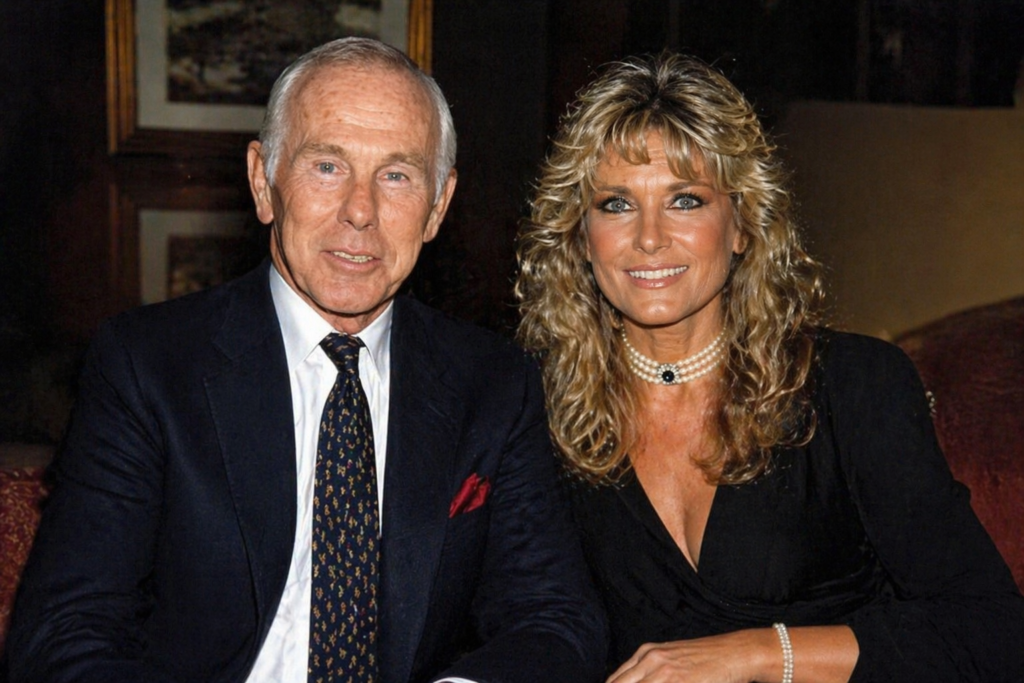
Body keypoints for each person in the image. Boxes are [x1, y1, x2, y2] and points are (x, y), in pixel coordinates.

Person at [6, 38, 606, 683]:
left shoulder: (494, 383)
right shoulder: (147, 366)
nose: (360, 212)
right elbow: (63, 632)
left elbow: (555, 620)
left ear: (438, 206)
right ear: (264, 182)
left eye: (397, 176)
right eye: (327, 166)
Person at [515, 51, 1024, 683]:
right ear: (579, 233)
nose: (648, 237)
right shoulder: (533, 407)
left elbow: (992, 631)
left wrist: (757, 653)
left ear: (742, 225)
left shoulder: (853, 387)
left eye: (685, 200)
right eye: (616, 204)